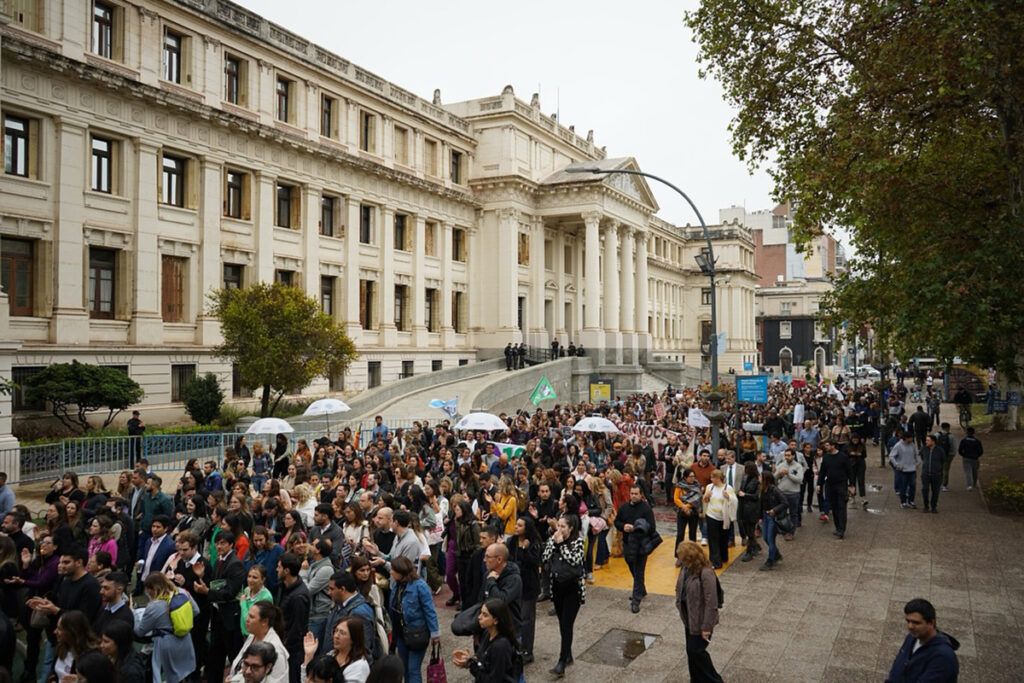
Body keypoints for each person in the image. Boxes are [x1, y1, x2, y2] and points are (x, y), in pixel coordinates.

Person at [196, 531, 247, 683]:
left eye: (223, 543)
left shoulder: (235, 563)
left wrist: (207, 592)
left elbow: (230, 592)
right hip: (218, 615)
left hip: (229, 617)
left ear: (231, 545)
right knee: (215, 654)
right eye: (217, 543)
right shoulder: (219, 560)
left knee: (233, 654)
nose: (219, 546)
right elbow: (215, 584)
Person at [136, 572, 198, 683]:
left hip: (166, 644)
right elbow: (196, 610)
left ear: (152, 589)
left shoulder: (154, 606)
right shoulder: (182, 592)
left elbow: (140, 631)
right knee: (184, 673)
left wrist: (133, 615)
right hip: (186, 639)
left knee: (167, 676)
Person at [542, 514, 584, 677]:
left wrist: (562, 545)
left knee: (567, 625)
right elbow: (545, 558)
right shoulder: (553, 540)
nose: (559, 529)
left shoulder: (578, 541)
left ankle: (561, 661)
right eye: (558, 526)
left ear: (571, 528)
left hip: (573, 590)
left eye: (563, 527)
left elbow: (574, 560)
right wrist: (553, 542)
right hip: (557, 588)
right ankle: (568, 654)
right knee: (562, 624)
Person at [675, 541, 723, 683]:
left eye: (683, 558)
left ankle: (714, 679)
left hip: (701, 620)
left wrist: (707, 627)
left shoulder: (706, 573)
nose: (680, 561)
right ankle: (695, 679)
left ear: (691, 558)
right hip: (689, 617)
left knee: (696, 651)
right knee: (691, 651)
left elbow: (711, 602)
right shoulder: (686, 568)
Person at [387, 556, 439, 683]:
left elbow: (430, 611)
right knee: (404, 668)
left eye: (393, 570)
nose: (391, 572)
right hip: (401, 634)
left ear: (401, 571)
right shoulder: (397, 585)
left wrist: (435, 634)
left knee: (413, 669)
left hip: (417, 635)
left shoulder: (420, 586)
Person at [885, 598, 959, 682]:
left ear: (931, 623)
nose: (910, 626)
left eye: (916, 622)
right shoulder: (911, 637)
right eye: (908, 621)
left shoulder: (943, 657)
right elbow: (898, 667)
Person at [452, 598, 521, 682]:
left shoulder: (500, 646)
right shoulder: (487, 633)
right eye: (480, 613)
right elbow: (484, 660)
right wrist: (468, 660)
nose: (479, 617)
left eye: (485, 615)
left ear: (495, 620)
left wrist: (471, 665)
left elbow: (493, 680)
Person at [614, 485, 655, 613]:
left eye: (636, 493)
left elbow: (652, 527)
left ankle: (636, 600)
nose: (633, 496)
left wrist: (637, 528)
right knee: (632, 567)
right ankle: (641, 590)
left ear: (641, 494)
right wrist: (623, 526)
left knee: (639, 571)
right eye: (632, 493)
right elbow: (617, 522)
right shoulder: (624, 508)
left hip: (641, 545)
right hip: (628, 543)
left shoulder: (646, 509)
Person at [505, 515, 541, 662]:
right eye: (516, 525)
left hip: (529, 586)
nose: (516, 527)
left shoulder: (534, 543)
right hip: (515, 585)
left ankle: (527, 650)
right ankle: (517, 646)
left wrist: (525, 550)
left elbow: (535, 562)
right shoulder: (512, 541)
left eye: (520, 526)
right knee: (515, 618)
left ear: (527, 528)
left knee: (527, 619)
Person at [228, 600, 289, 683]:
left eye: (251, 617)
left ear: (264, 621)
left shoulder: (277, 650)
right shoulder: (252, 636)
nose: (247, 619)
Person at [302, 616, 371, 683]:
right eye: (336, 631)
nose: (336, 636)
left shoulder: (359, 667)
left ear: (353, 638)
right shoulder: (331, 654)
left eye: (342, 633)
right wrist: (309, 656)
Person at [276, 552, 311, 683]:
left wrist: (284, 645)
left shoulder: (298, 597)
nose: (276, 569)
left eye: (279, 567)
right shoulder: (282, 586)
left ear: (287, 570)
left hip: (292, 650)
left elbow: (297, 628)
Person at [817, 442, 855, 539]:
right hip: (830, 485)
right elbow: (822, 472)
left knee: (841, 507)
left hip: (841, 485)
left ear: (833, 446)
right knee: (834, 507)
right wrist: (819, 484)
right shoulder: (826, 458)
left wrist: (851, 485)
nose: (826, 447)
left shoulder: (843, 457)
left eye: (827, 445)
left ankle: (841, 529)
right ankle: (838, 527)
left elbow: (850, 471)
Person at [701, 471, 736, 570]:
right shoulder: (709, 487)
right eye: (711, 478)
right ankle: (716, 562)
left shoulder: (728, 488)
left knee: (723, 538)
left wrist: (728, 497)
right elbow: (705, 500)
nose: (712, 480)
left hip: (724, 517)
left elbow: (734, 501)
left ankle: (723, 557)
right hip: (711, 515)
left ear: (719, 478)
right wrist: (706, 496)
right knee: (713, 539)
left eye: (713, 478)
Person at [758, 472, 789, 571]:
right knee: (765, 537)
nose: (758, 478)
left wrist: (774, 510)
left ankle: (770, 560)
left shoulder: (775, 490)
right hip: (765, 515)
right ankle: (776, 554)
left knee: (770, 539)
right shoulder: (763, 490)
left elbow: (785, 502)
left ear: (765, 479)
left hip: (773, 517)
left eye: (760, 477)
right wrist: (760, 517)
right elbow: (761, 504)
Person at [736, 463, 762, 561]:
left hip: (751, 510)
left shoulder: (756, 481)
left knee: (750, 531)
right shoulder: (745, 478)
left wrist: (745, 495)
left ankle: (749, 552)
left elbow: (756, 496)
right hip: (743, 507)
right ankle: (755, 546)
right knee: (747, 530)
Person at [240, 566, 274, 637]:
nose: (250, 580)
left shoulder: (266, 597)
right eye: (249, 576)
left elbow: (249, 620)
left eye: (254, 577)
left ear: (263, 580)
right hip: (244, 634)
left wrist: (243, 603)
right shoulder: (247, 590)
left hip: (256, 637)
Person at [889, 432, 920, 509]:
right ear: (905, 438)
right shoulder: (898, 445)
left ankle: (911, 501)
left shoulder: (912, 444)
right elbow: (891, 456)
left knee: (913, 486)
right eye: (910, 438)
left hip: (912, 469)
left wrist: (918, 462)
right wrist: (897, 465)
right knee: (903, 486)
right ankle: (903, 502)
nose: (912, 439)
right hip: (903, 470)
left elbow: (916, 454)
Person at [919, 434, 946, 513]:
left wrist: (938, 468)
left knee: (935, 491)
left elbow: (943, 460)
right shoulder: (924, 449)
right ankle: (926, 506)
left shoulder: (940, 450)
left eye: (928, 440)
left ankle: (933, 506)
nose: (926, 442)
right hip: (926, 474)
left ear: (933, 441)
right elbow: (922, 457)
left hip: (936, 474)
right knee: (925, 490)